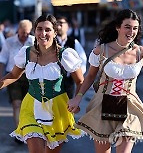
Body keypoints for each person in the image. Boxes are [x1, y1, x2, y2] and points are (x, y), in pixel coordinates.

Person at [68, 9, 143, 153]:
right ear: (118, 27)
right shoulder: (101, 50)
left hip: (129, 105)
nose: (131, 31)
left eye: (135, 28)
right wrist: (78, 97)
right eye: (127, 27)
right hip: (103, 103)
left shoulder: (141, 52)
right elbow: (91, 76)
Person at [0, 14, 84, 152]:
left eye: (47, 30)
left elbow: (80, 81)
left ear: (55, 32)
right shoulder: (26, 53)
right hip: (31, 106)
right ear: (34, 31)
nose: (43, 33)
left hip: (58, 108)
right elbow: (14, 75)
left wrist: (77, 98)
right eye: (39, 29)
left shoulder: (64, 54)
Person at [0, 19, 34, 144]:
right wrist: (1, 77)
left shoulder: (34, 42)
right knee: (16, 104)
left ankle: (29, 130)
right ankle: (19, 132)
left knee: (29, 106)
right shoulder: (9, 42)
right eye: (22, 32)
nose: (24, 35)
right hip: (13, 76)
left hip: (30, 77)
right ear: (18, 30)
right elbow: (2, 60)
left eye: (27, 32)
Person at [56, 16, 87, 99]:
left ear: (68, 26)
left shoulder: (73, 42)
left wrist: (77, 74)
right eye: (57, 23)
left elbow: (82, 59)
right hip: (53, 80)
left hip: (69, 80)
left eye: (61, 23)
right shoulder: (51, 42)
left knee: (68, 107)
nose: (59, 26)